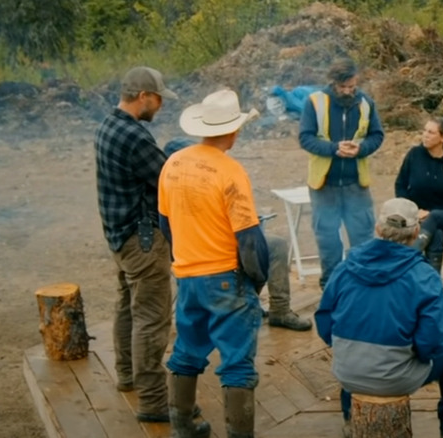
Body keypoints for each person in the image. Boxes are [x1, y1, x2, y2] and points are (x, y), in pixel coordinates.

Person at [315, 198, 443, 438]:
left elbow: (324, 319)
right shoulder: (424, 275)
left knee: (357, 351)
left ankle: (351, 419)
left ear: (377, 228)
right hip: (396, 377)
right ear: (417, 231)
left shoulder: (346, 267)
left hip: (347, 372)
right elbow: (430, 341)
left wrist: (347, 345)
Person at [158, 89, 266, 438]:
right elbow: (249, 241)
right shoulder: (231, 171)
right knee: (237, 364)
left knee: (187, 352)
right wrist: (256, 281)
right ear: (234, 130)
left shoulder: (173, 163)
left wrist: (186, 258)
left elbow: (165, 224)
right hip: (225, 277)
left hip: (187, 276)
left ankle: (184, 426)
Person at [94, 66, 177, 422]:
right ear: (143, 96)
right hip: (142, 241)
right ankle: (154, 402)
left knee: (128, 306)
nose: (160, 107)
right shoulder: (135, 138)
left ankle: (127, 376)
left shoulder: (108, 126)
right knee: (152, 320)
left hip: (119, 236)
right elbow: (169, 179)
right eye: (158, 99)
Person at [164, 137, 312, 332]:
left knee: (275, 245)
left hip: (210, 246)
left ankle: (279, 309)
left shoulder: (182, 176)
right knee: (252, 254)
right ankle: (247, 303)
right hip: (208, 254)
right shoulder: (177, 180)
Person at [299, 57, 385, 289]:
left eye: (352, 86)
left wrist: (361, 149)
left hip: (356, 184)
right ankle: (331, 284)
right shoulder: (314, 103)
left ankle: (361, 282)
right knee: (327, 238)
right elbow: (305, 138)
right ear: (333, 83)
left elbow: (377, 136)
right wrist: (333, 149)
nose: (348, 91)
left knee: (362, 236)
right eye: (343, 87)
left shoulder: (366, 103)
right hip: (324, 184)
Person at [395, 115, 443, 273]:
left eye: (431, 132)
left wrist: (431, 213)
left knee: (434, 218)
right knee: (436, 234)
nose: (425, 135)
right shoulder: (414, 155)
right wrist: (412, 210)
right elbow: (400, 185)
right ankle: (432, 281)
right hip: (416, 216)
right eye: (425, 130)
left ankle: (407, 258)